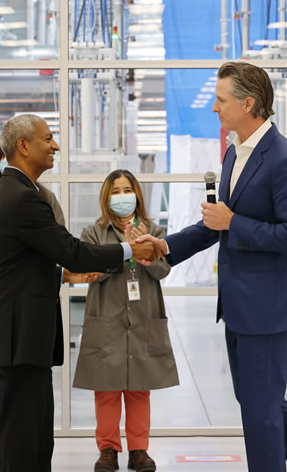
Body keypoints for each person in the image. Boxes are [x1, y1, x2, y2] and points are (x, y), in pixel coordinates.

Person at [137, 62, 287, 472]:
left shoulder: (284, 159)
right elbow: (216, 224)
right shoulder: (234, 153)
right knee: (258, 402)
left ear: (249, 104)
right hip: (241, 305)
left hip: (269, 307)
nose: (214, 108)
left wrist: (234, 223)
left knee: (260, 413)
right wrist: (165, 246)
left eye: (221, 100)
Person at [0, 114, 156, 472]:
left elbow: (24, 261)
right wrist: (129, 251)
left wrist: (61, 274)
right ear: (24, 146)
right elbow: (71, 249)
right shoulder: (21, 196)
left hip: (21, 331)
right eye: (48, 139)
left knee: (32, 431)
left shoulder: (12, 191)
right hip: (22, 333)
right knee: (23, 435)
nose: (56, 146)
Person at [0, 143, 68, 471]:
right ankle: (3, 447)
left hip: (33, 304)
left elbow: (60, 241)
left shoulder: (43, 197)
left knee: (34, 388)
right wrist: (0, 261)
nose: (54, 146)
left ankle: (14, 451)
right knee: (0, 380)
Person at [73, 169, 179, 472]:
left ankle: (139, 449)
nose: (122, 196)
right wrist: (127, 250)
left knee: (139, 388)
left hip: (143, 316)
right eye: (116, 191)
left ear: (138, 194)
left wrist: (144, 253)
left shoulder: (155, 231)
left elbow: (163, 270)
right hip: (106, 317)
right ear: (107, 197)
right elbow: (90, 265)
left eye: (127, 190)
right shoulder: (93, 232)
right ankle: (107, 449)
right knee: (106, 388)